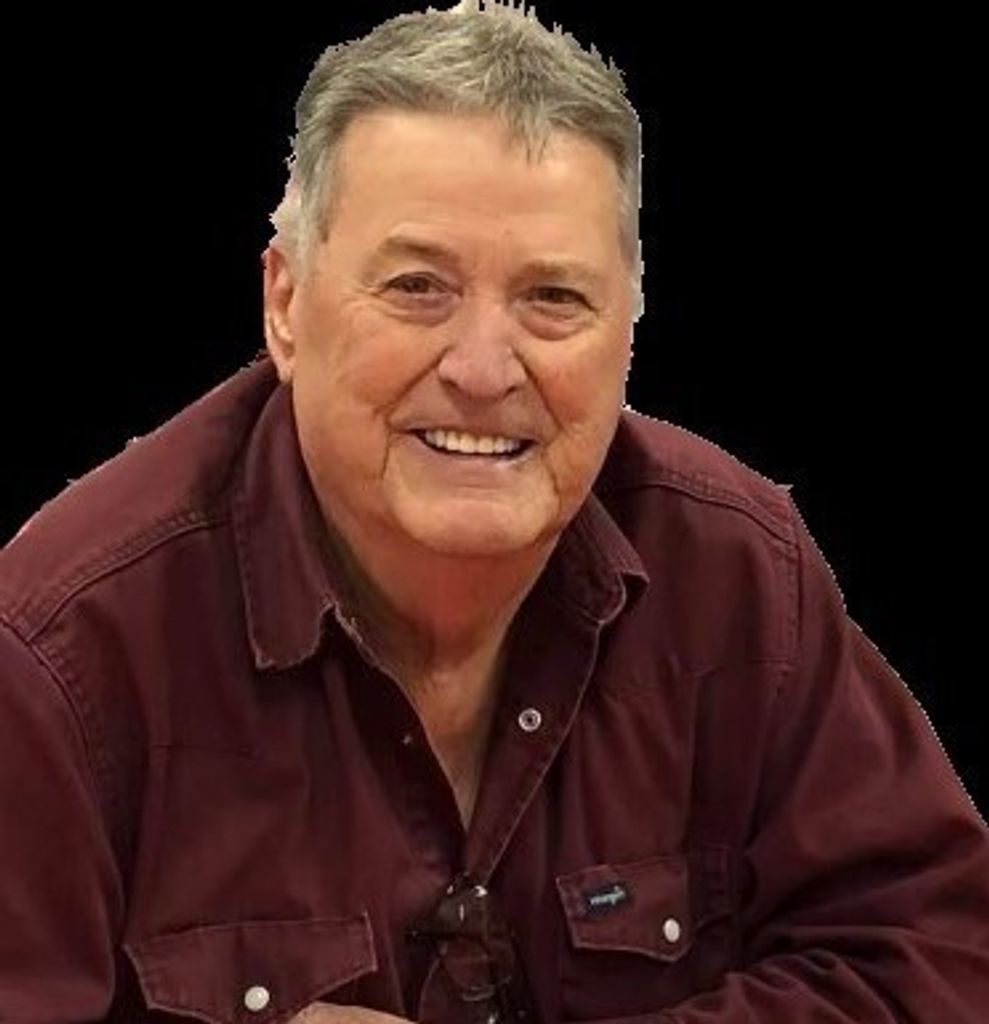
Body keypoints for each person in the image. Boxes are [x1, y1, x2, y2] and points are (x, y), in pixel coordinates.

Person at [1, 1, 986, 1021]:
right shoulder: (60, 657)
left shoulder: (737, 574)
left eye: (552, 298)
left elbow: (933, 957)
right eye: (417, 286)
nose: (482, 369)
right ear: (285, 306)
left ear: (629, 324)